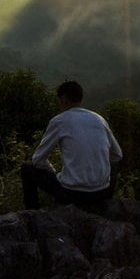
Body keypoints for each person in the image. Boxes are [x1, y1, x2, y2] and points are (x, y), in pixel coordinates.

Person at [21, 80, 123, 209]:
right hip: (102, 194)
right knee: (113, 165)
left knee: (27, 168)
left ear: (63, 100)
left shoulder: (60, 121)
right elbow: (117, 155)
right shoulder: (99, 119)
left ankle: (32, 215)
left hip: (72, 195)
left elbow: (38, 159)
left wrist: (55, 173)